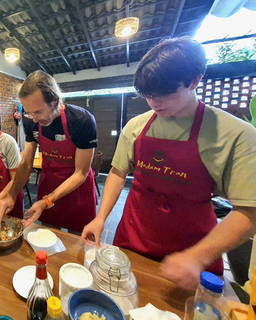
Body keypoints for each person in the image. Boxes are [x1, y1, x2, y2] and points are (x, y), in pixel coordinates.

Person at [81, 37, 256, 290]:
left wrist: (198, 257)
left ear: (195, 80)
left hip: (194, 249)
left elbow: (249, 211)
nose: (154, 103)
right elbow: (118, 173)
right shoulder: (137, 126)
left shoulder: (236, 134)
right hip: (133, 236)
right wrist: (101, 218)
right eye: (147, 95)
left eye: (164, 94)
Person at [0, 71, 98, 232]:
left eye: (38, 112)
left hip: (77, 191)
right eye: (29, 112)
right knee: (47, 237)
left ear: (54, 100)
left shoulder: (81, 120)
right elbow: (27, 162)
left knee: (77, 243)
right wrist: (12, 195)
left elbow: (81, 173)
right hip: (48, 185)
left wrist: (47, 201)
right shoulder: (31, 121)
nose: (34, 119)